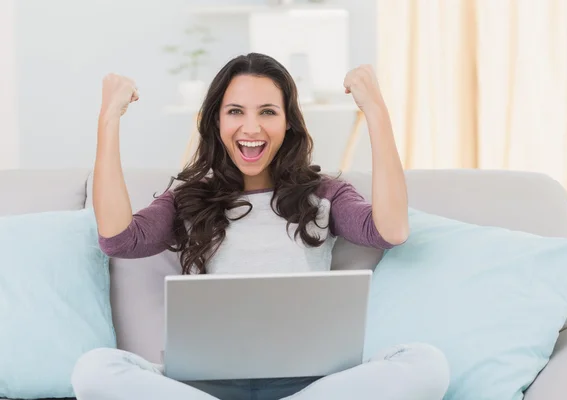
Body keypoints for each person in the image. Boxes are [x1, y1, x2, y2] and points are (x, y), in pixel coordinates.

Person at [71, 53, 449, 400]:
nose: (251, 128)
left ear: (288, 123)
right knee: (94, 370)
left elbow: (392, 230)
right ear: (216, 120)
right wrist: (109, 117)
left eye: (268, 112)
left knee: (426, 363)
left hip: (310, 383)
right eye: (235, 111)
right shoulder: (187, 200)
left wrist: (375, 110)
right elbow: (118, 239)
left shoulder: (324, 194)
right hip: (205, 385)